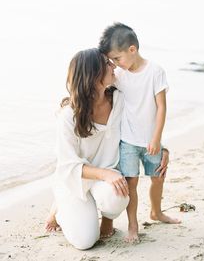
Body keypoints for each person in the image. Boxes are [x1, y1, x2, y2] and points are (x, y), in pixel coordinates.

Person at [99, 23, 181, 243]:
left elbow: (161, 107)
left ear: (132, 50)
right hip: (127, 141)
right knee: (131, 183)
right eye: (113, 61)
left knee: (158, 178)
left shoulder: (155, 71)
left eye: (117, 58)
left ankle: (156, 211)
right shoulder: (119, 74)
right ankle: (132, 225)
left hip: (150, 140)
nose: (115, 64)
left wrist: (156, 139)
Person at [46, 48, 129, 250]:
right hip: (74, 180)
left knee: (117, 197)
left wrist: (162, 148)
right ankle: (59, 206)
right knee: (85, 242)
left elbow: (144, 119)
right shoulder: (68, 116)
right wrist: (105, 174)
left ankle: (107, 219)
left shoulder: (120, 99)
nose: (114, 66)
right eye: (107, 64)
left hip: (106, 177)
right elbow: (68, 166)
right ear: (93, 74)